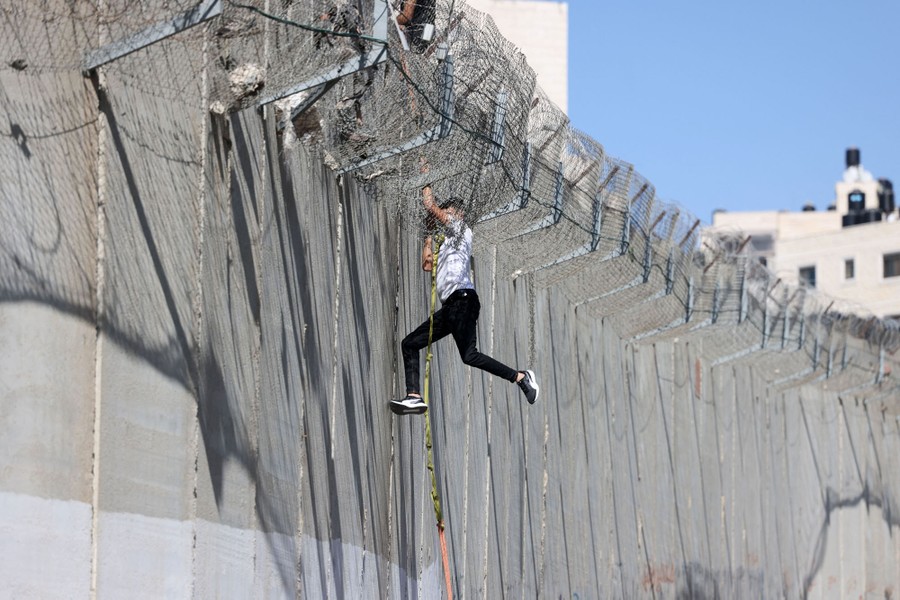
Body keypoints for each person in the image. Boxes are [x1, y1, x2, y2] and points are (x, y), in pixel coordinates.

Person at [391, 185, 540, 415]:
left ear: (458, 214)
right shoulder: (449, 243)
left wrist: (426, 180)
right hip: (451, 307)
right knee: (410, 344)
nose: (446, 215)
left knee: (469, 355)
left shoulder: (462, 229)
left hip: (463, 301)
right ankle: (414, 396)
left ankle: (521, 377)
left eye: (448, 211)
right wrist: (428, 237)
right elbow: (427, 264)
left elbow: (430, 206)